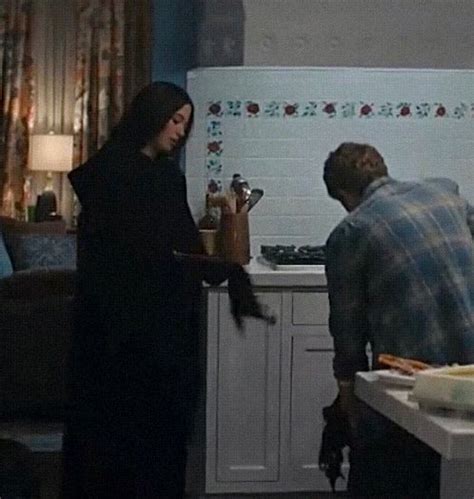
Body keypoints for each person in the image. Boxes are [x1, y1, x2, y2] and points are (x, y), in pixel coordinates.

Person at [62, 81, 271, 498]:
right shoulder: (145, 178)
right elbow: (172, 248)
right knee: (144, 436)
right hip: (140, 330)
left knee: (117, 437)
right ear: (152, 117)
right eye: (175, 120)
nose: (179, 131)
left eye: (185, 124)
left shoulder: (112, 173)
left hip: (118, 326)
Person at [322, 142, 474, 498]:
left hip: (416, 377)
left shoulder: (350, 232)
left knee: (384, 467)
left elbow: (348, 334)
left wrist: (349, 398)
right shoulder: (445, 194)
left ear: (345, 194)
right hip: (470, 370)